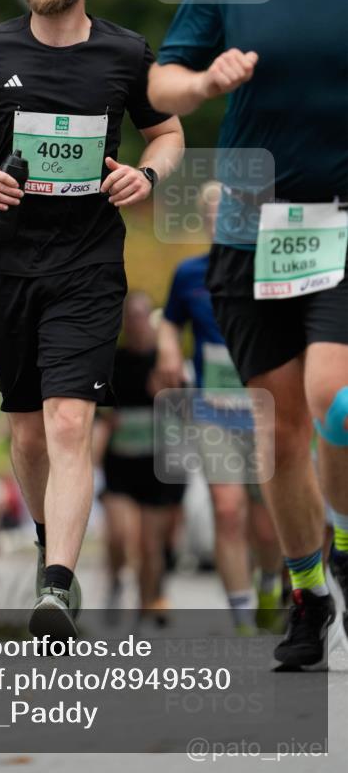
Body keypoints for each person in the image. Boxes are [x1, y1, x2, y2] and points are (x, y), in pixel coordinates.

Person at [0, 0, 184, 637]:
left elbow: (166, 131)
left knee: (69, 422)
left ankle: (59, 588)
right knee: (29, 433)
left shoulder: (126, 55)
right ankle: (47, 547)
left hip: (88, 266)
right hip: (3, 267)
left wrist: (148, 175)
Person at [148, 0, 347, 668]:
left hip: (341, 222)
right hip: (250, 233)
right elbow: (158, 82)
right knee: (277, 431)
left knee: (332, 395)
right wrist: (204, 79)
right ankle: (308, 594)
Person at [153, 182, 282, 633]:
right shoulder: (190, 274)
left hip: (264, 411)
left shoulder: (269, 269)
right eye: (214, 213)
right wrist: (169, 349)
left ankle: (270, 581)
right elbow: (169, 323)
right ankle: (242, 612)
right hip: (213, 409)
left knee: (268, 526)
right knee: (227, 510)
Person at [96, 291, 186, 624]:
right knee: (120, 535)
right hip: (120, 466)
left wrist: (167, 395)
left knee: (150, 546)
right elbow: (97, 415)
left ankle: (149, 604)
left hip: (158, 469)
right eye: (129, 316)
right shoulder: (111, 363)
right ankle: (117, 580)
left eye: (141, 315)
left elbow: (188, 416)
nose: (135, 323)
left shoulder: (167, 362)